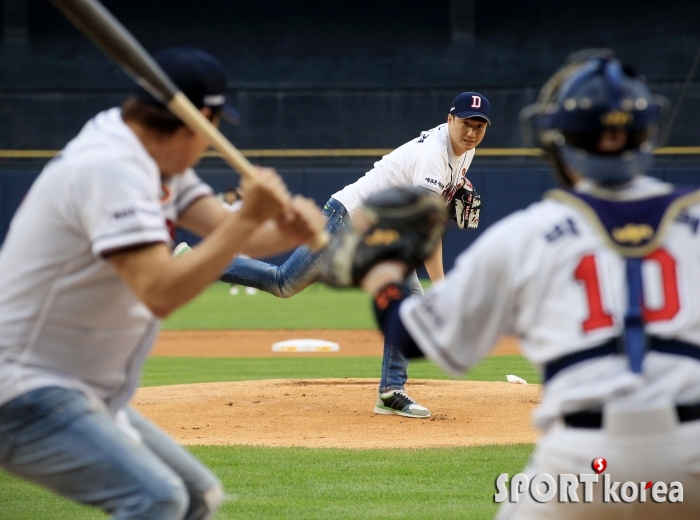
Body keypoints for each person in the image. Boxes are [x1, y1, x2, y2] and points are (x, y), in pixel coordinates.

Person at [327, 50, 700, 518]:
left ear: (554, 140)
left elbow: (414, 335)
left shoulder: (528, 234)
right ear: (648, 134)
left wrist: (381, 271)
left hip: (583, 460)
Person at [0, 47, 324, 520]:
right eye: (214, 129)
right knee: (157, 499)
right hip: (25, 387)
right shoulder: (111, 167)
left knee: (196, 497)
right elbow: (159, 290)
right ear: (201, 120)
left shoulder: (154, 159)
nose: (213, 143)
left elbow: (237, 230)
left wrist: (297, 232)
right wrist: (246, 217)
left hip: (80, 386)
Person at [215, 92, 490, 418]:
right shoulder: (433, 155)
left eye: (479, 126)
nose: (471, 132)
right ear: (449, 120)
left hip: (381, 230)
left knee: (409, 300)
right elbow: (423, 229)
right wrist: (442, 286)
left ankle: (391, 390)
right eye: (465, 123)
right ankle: (201, 262)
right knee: (283, 283)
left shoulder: (464, 152)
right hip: (347, 220)